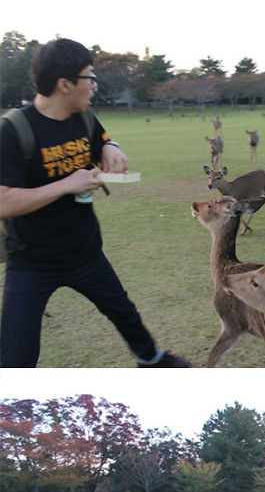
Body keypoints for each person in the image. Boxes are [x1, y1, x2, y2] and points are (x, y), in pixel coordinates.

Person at [0, 38, 190, 369]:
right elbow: (3, 202)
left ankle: (153, 361)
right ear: (65, 84)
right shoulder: (13, 131)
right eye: (89, 76)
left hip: (85, 252)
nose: (93, 85)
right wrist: (65, 185)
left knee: (124, 313)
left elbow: (101, 140)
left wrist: (111, 147)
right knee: (17, 354)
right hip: (31, 261)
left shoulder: (83, 117)